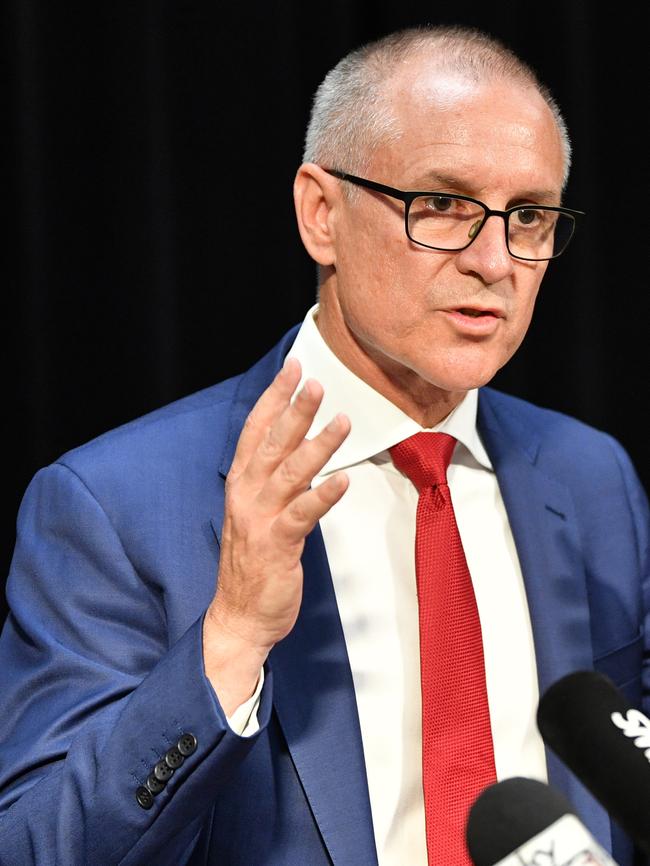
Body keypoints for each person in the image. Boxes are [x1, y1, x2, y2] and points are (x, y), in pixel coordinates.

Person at [0, 23, 647, 866]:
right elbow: (39, 846)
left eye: (528, 217)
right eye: (443, 205)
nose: (496, 261)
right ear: (321, 214)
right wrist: (229, 635)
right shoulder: (112, 505)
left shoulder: (593, 477)